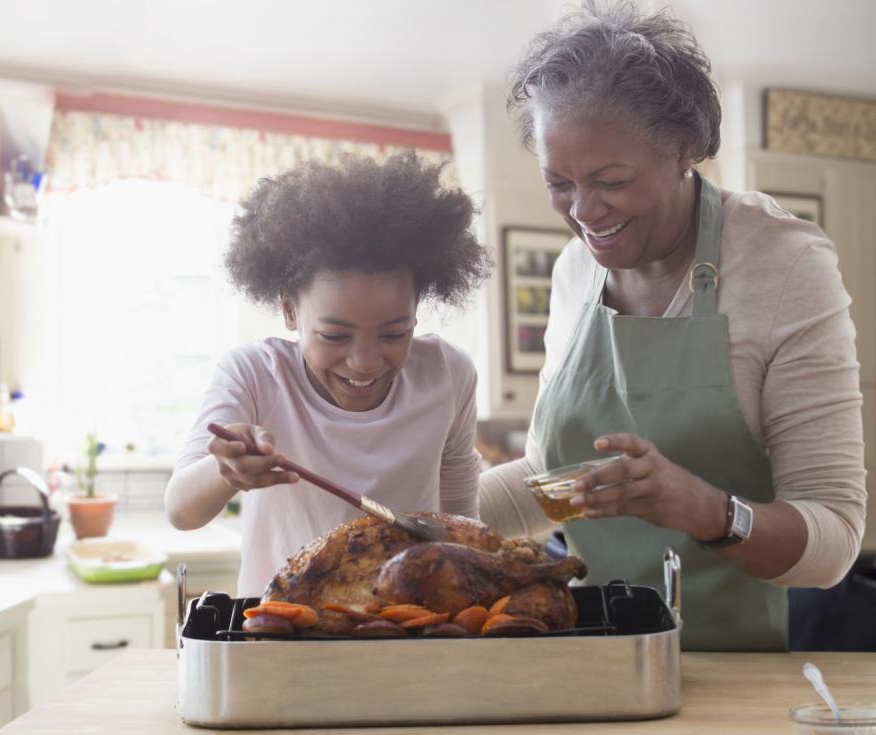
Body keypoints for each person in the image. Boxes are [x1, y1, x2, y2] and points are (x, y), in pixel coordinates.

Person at [478, 0, 866, 651]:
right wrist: (422, 503)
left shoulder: (782, 262)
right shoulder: (576, 273)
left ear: (682, 150)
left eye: (610, 180)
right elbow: (560, 482)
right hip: (592, 653)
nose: (583, 211)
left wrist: (706, 510)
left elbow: (834, 541)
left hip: (738, 668)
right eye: (558, 182)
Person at [165, 152, 492, 597]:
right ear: (289, 310)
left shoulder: (448, 374)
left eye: (394, 333)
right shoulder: (255, 375)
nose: (364, 361)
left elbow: (460, 522)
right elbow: (182, 511)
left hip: (408, 629)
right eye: (336, 336)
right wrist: (226, 470)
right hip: (280, 633)